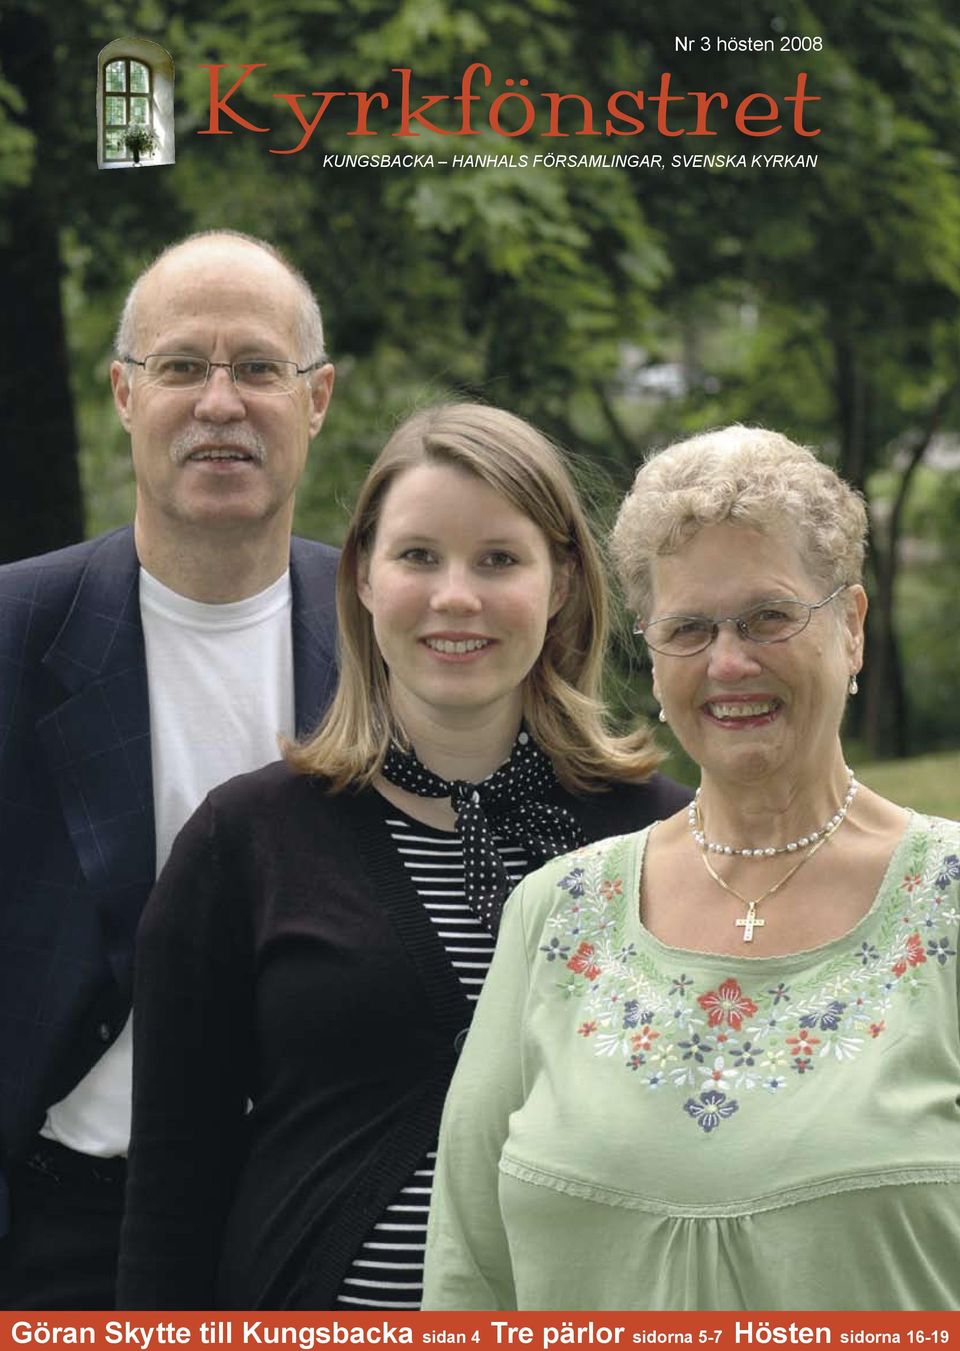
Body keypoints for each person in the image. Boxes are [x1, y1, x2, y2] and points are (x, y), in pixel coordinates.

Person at [117, 401, 689, 1310]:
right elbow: (173, 1189)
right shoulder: (245, 841)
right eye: (418, 556)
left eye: (499, 559)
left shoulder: (663, 843)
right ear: (364, 579)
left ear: (564, 583)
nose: (454, 596)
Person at [422, 424, 960, 1313]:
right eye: (688, 628)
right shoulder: (556, 913)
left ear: (852, 626)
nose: (729, 662)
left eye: (769, 617)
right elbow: (468, 1273)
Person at [0, 230, 339, 1309]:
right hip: (66, 1234)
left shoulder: (393, 629)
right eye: (183, 366)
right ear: (122, 393)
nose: (220, 402)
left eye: (257, 367)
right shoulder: (13, 634)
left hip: (318, 1225)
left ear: (317, 399)